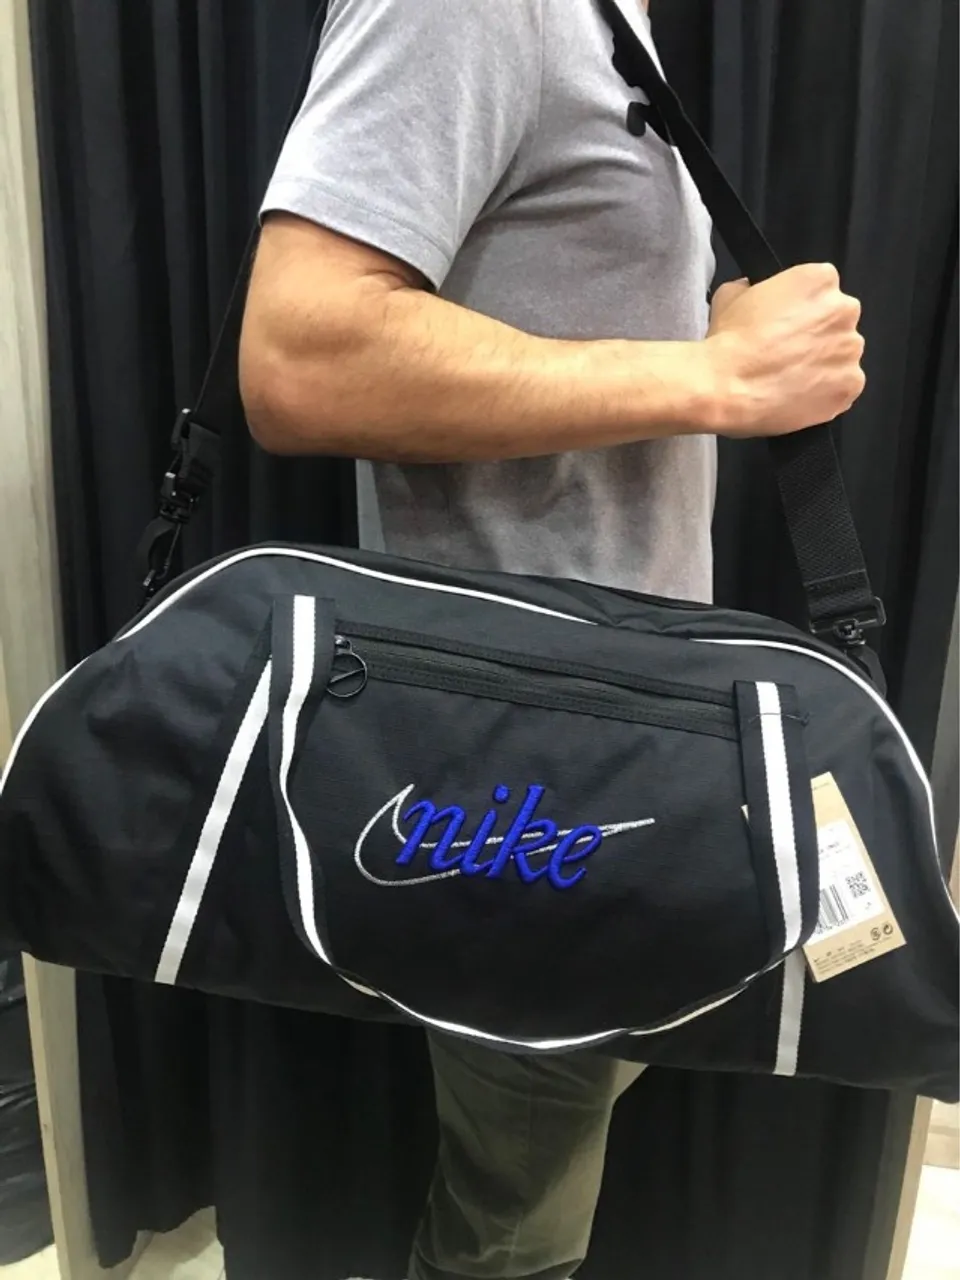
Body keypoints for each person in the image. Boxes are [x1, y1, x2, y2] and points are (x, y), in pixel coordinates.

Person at [239, 1, 866, 1276]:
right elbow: (300, 356)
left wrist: (703, 342)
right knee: (515, 1230)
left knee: (534, 1168)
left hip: (614, 730)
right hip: (527, 764)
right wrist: (714, 377)